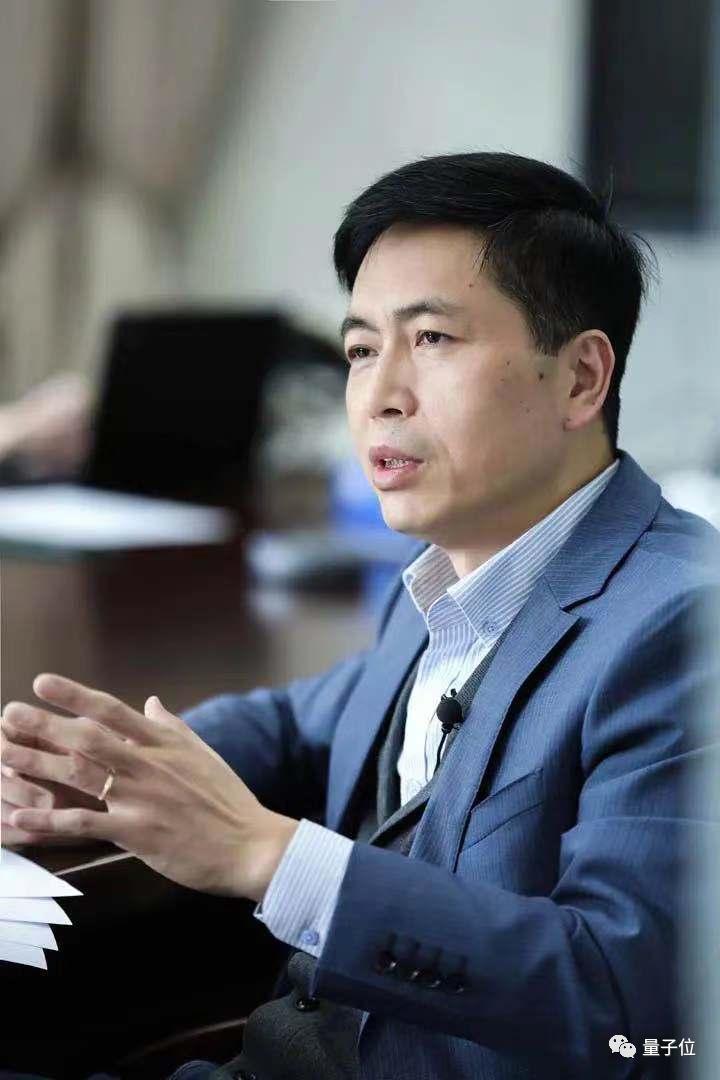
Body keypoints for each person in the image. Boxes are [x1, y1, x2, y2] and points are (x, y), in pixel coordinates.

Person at [2, 151, 720, 1080]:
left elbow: (621, 1004)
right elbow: (299, 724)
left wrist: (268, 857)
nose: (380, 395)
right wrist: (70, 774)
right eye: (361, 350)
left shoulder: (680, 625)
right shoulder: (449, 579)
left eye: (432, 340)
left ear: (582, 378)